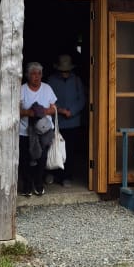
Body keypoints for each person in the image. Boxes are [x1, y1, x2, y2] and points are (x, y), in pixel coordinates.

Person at [19, 61, 57, 197]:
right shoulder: (22, 89)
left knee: (41, 159)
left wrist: (42, 111)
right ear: (27, 75)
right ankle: (27, 186)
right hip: (24, 131)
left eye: (39, 73)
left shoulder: (47, 88)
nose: (36, 76)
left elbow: (54, 108)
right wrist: (28, 113)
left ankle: (39, 184)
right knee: (25, 159)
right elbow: (15, 109)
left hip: (44, 131)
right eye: (33, 73)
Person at [48, 53, 86, 186]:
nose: (65, 73)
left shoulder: (76, 80)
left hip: (73, 122)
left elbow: (82, 99)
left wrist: (72, 111)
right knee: (54, 148)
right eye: (63, 71)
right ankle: (53, 174)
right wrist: (61, 110)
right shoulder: (51, 81)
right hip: (56, 121)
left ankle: (67, 177)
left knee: (69, 150)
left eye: (67, 71)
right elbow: (48, 100)